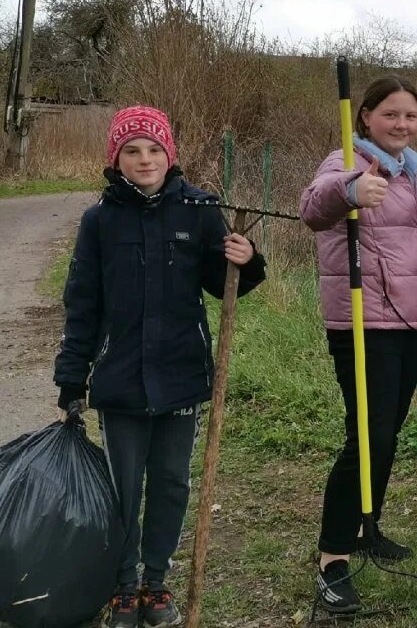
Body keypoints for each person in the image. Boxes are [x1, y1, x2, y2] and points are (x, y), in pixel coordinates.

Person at [53, 105, 266, 628]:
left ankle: (156, 582)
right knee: (124, 486)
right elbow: (82, 302)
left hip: (181, 374)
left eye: (154, 149)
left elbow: (224, 283)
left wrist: (248, 258)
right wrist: (71, 374)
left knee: (171, 482)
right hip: (121, 377)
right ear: (116, 158)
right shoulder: (99, 221)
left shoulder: (198, 210)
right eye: (132, 150)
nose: (144, 159)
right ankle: (123, 585)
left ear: (170, 155)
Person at [299, 76, 417, 615]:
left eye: (410, 116)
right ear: (365, 118)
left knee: (387, 432)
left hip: (411, 320)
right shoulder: (346, 159)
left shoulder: (414, 172)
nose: (402, 124)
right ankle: (333, 560)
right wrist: (351, 190)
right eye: (391, 115)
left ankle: (365, 524)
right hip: (364, 323)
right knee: (367, 437)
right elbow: (313, 208)